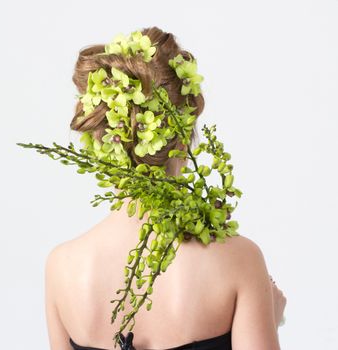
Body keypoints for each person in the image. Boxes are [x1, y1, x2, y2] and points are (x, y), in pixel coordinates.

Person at [44, 26, 287, 350]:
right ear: (183, 139)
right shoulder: (238, 261)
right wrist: (269, 320)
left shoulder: (62, 267)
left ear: (100, 141)